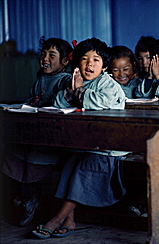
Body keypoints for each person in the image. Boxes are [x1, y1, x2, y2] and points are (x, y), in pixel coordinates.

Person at [32, 38, 127, 239]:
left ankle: (56, 219)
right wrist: (71, 91)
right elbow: (58, 102)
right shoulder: (73, 80)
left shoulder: (109, 85)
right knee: (68, 164)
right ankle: (70, 220)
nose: (89, 64)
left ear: (105, 66)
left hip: (107, 148)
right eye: (84, 59)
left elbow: (101, 102)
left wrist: (79, 91)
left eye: (96, 60)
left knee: (83, 169)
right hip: (84, 145)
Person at [2, 37, 73, 227]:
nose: (45, 59)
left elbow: (63, 103)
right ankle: (28, 197)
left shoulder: (65, 80)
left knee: (34, 158)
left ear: (65, 61)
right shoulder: (40, 80)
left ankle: (31, 198)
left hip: (52, 137)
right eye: (43, 55)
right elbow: (32, 101)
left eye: (52, 55)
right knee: (12, 153)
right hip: (34, 133)